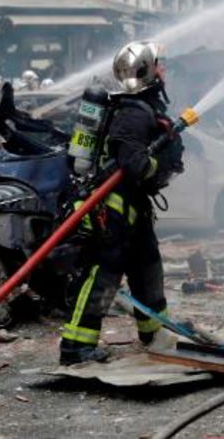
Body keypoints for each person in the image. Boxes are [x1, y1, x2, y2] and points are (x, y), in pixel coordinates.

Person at [59, 41, 185, 365]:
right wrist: (157, 166)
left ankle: (154, 332)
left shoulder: (139, 107)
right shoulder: (132, 112)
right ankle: (76, 345)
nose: (164, 70)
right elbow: (134, 164)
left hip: (132, 208)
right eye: (160, 65)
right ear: (147, 71)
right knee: (103, 274)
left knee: (147, 268)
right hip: (112, 210)